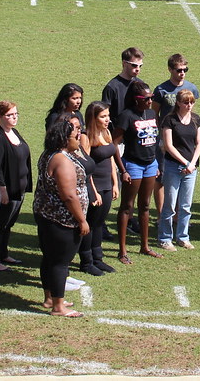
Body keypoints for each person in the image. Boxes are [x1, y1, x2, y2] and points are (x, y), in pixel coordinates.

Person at [33, 118, 90, 317]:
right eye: (75, 135)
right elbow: (69, 195)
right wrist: (81, 220)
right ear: (64, 139)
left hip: (47, 215)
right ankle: (58, 306)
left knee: (49, 258)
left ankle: (50, 298)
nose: (79, 138)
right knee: (59, 262)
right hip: (62, 219)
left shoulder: (49, 154)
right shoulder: (62, 160)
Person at [112, 80, 161, 264]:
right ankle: (122, 250)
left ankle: (144, 246)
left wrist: (155, 163)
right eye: (146, 98)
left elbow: (153, 139)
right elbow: (114, 144)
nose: (150, 101)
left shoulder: (150, 113)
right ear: (136, 99)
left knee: (146, 205)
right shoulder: (127, 116)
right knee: (127, 206)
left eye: (151, 98)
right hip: (133, 165)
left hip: (150, 164)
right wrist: (122, 169)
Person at [0, 101, 32, 272]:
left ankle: (3, 253)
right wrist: (2, 189)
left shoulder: (14, 132)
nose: (14, 117)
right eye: (9, 115)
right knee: (1, 223)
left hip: (19, 187)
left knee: (9, 223)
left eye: (16, 114)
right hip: (8, 188)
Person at [158, 89, 200, 251]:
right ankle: (165, 238)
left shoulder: (196, 119)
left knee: (185, 205)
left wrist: (192, 163)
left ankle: (183, 237)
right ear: (178, 103)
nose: (189, 105)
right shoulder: (169, 120)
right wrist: (185, 162)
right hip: (173, 166)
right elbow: (168, 146)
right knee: (169, 205)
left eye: (191, 102)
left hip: (191, 168)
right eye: (186, 102)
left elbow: (199, 143)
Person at [80, 101, 117, 275]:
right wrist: (93, 191)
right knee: (91, 223)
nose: (107, 119)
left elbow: (111, 159)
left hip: (107, 185)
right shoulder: (86, 137)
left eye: (108, 116)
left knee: (99, 223)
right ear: (93, 118)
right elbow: (85, 166)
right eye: (103, 116)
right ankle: (86, 261)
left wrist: (115, 183)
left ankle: (98, 258)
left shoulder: (107, 132)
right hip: (95, 186)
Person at [102, 47, 143, 118]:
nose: (138, 69)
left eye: (140, 66)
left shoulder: (141, 84)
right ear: (124, 63)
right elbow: (104, 113)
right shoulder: (112, 87)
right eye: (134, 65)